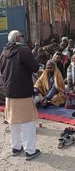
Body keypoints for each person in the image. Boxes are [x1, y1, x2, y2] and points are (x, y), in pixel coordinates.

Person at [0, 30, 41, 160]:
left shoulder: (3, 52)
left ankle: (16, 147)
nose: (23, 38)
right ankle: (30, 150)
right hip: (23, 92)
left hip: (9, 93)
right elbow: (35, 67)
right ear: (18, 38)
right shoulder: (23, 51)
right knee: (28, 122)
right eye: (21, 36)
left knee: (14, 122)